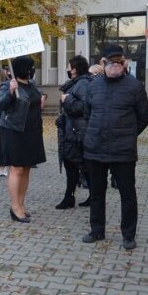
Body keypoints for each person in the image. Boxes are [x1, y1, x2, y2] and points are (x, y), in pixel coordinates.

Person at [82, 45, 148, 250]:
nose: (114, 66)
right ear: (103, 64)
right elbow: (87, 115)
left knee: (127, 194)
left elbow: (144, 117)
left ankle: (128, 235)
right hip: (95, 149)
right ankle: (97, 230)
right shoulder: (93, 86)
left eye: (118, 62)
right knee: (96, 193)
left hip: (123, 151)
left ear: (125, 63)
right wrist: (93, 134)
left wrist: (128, 134)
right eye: (110, 62)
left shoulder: (135, 86)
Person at [0, 56, 46, 222]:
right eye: (31, 67)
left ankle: (22, 204)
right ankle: (15, 207)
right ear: (23, 69)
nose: (33, 70)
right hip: (14, 131)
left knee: (26, 169)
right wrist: (10, 91)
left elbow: (33, 102)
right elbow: (1, 105)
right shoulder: (7, 85)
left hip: (31, 131)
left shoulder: (31, 85)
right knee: (16, 169)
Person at [56, 55, 92, 209]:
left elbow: (84, 107)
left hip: (77, 133)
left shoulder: (83, 83)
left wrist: (67, 100)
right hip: (72, 130)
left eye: (69, 66)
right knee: (72, 164)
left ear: (75, 69)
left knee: (78, 164)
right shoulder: (76, 83)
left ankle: (92, 196)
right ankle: (70, 196)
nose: (67, 69)